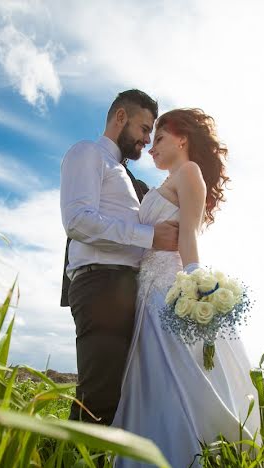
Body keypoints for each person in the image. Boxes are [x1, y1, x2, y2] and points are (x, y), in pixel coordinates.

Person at [109, 108, 261, 468]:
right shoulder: (167, 181)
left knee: (172, 397)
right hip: (146, 295)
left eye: (159, 136)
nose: (152, 146)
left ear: (182, 137)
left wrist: (198, 292)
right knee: (152, 395)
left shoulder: (189, 171)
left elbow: (188, 238)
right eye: (150, 137)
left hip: (165, 295)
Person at [60, 89, 180, 425]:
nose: (146, 139)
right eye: (144, 129)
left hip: (127, 288)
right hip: (100, 284)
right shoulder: (87, 154)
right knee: (99, 398)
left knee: (122, 397)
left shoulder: (127, 177)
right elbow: (77, 221)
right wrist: (151, 236)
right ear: (121, 117)